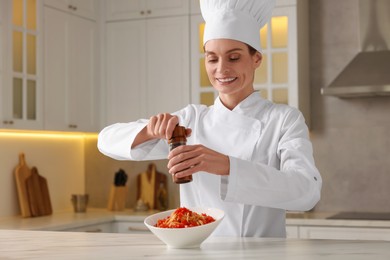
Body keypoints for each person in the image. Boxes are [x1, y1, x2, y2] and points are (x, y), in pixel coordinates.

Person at [98, 0, 322, 237]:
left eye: (234, 57)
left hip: (260, 253)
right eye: (212, 58)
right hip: (198, 252)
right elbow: (106, 140)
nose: (221, 69)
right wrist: (150, 131)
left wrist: (228, 166)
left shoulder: (283, 119)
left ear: (256, 58)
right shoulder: (191, 120)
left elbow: (307, 192)